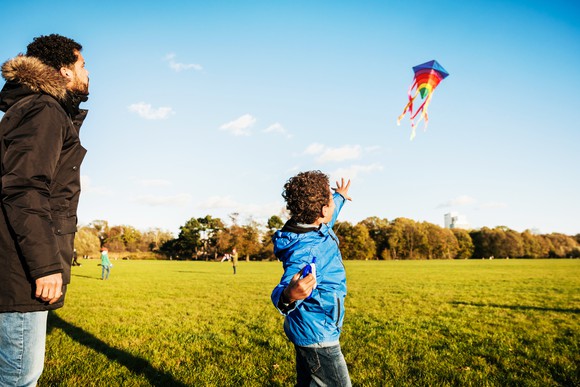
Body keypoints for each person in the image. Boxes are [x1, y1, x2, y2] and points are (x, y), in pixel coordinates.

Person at [0, 34, 90, 386]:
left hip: (17, 263)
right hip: (21, 273)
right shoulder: (43, 110)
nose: (87, 72)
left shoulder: (34, 109)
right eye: (83, 65)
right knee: (18, 378)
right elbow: (25, 188)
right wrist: (46, 266)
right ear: (65, 72)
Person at [271, 170, 352, 386]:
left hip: (306, 329)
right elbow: (283, 287)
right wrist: (288, 295)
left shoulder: (313, 227)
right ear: (322, 210)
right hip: (319, 333)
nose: (332, 201)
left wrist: (340, 196)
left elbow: (330, 214)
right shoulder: (307, 251)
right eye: (329, 197)